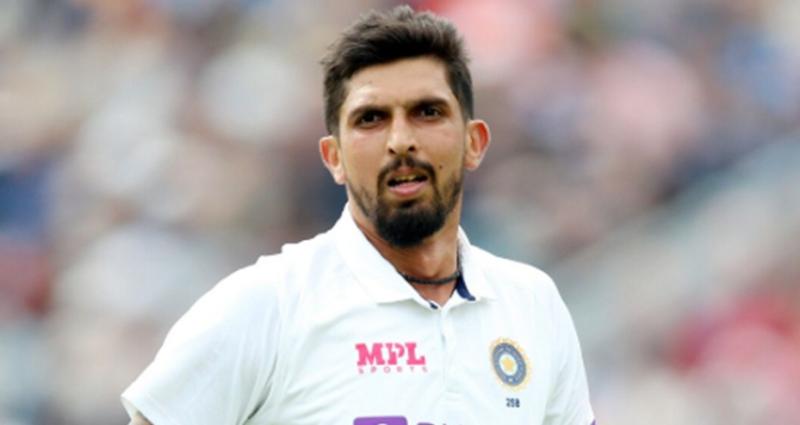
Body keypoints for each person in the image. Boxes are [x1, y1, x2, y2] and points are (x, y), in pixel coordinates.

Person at [122, 5, 595, 425]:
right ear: (334, 157)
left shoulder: (533, 304)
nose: (401, 141)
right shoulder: (267, 305)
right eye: (371, 119)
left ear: (474, 142)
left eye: (427, 112)